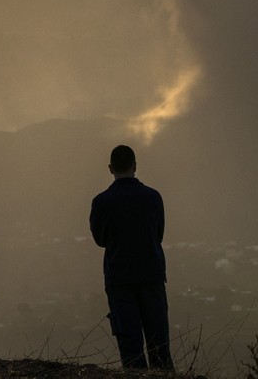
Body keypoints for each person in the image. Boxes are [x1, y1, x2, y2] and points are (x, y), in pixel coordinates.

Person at [90, 145, 173, 370]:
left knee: (130, 345)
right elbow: (159, 234)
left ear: (110, 168)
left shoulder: (101, 202)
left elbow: (100, 239)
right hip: (151, 275)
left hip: (119, 278)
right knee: (159, 343)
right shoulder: (153, 197)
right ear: (135, 166)